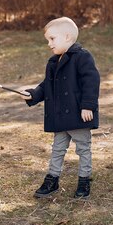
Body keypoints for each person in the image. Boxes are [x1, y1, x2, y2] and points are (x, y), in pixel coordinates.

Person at [21, 17, 100, 199]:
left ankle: (84, 180)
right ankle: (52, 179)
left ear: (66, 37)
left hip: (79, 116)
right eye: (48, 40)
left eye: (52, 39)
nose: (49, 44)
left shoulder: (82, 57)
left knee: (83, 148)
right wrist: (33, 94)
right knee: (57, 149)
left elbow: (91, 82)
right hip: (60, 117)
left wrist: (88, 106)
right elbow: (46, 85)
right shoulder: (53, 62)